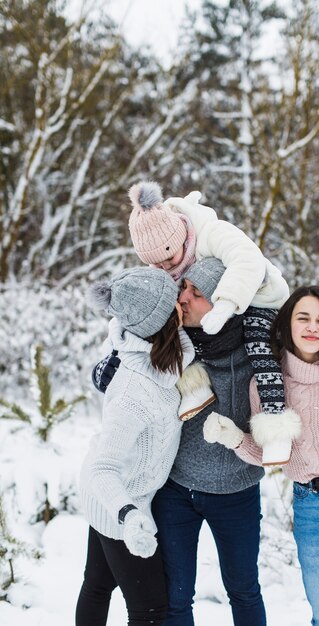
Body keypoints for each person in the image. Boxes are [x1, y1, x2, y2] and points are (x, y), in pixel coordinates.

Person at [204, 285, 319, 626]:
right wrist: (234, 439)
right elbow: (271, 453)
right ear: (287, 324)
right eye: (303, 317)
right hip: (312, 507)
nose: (312, 327)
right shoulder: (266, 383)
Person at [126, 181, 298, 464]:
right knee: (170, 326)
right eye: (157, 264)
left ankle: (276, 424)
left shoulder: (211, 232)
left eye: (170, 258)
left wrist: (226, 304)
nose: (167, 267)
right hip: (212, 306)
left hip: (259, 297)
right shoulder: (163, 259)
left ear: (181, 236)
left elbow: (247, 260)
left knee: (259, 344)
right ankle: (194, 388)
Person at [150, 257, 272, 626]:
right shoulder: (171, 342)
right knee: (175, 596)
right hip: (176, 489)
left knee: (243, 590)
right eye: (183, 288)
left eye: (196, 292)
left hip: (237, 492)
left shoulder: (259, 350)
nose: (183, 298)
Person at [75, 267, 195, 626]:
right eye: (175, 299)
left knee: (97, 584)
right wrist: (129, 516)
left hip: (122, 498)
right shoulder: (133, 391)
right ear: (162, 319)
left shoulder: (167, 357)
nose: (183, 302)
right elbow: (103, 468)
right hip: (120, 504)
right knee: (150, 611)